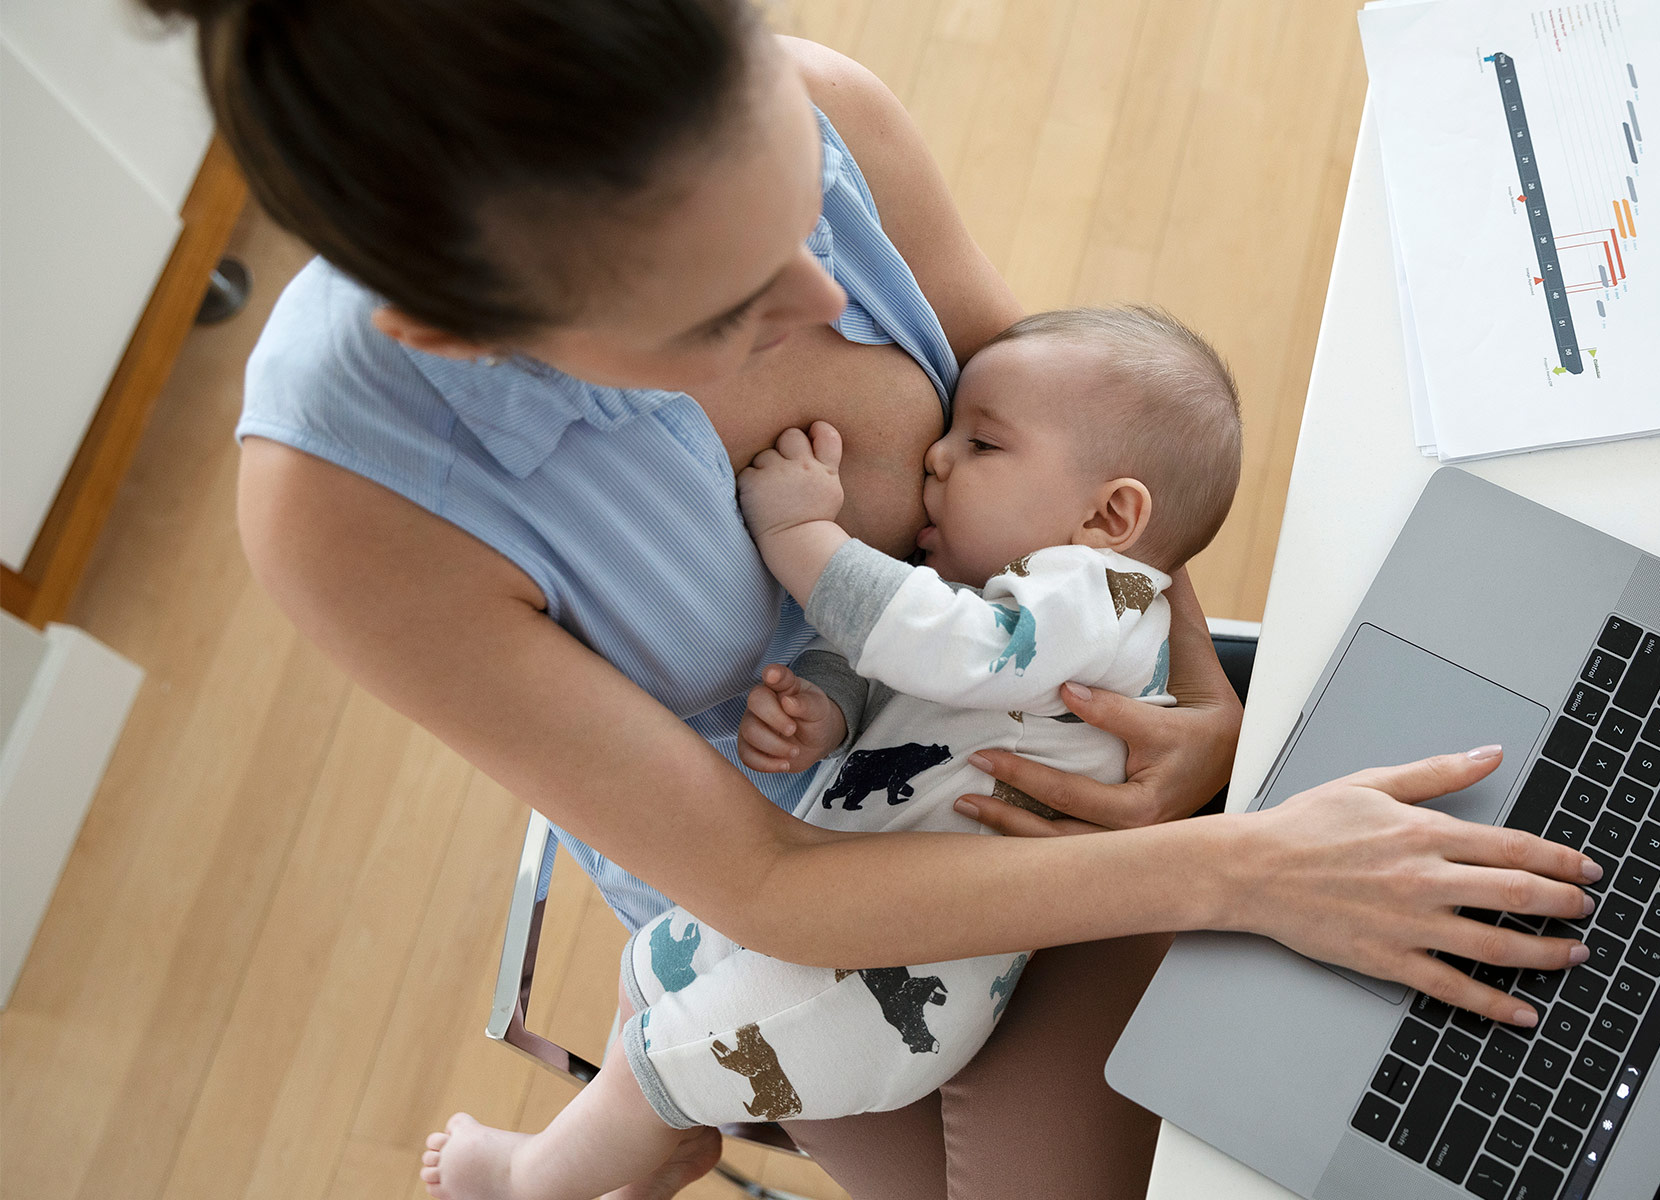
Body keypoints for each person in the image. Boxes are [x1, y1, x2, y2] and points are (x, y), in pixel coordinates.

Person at [150, 1, 1603, 1196]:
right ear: (466, 335)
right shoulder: (347, 508)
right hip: (807, 909)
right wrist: (1248, 870)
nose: (823, 294)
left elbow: (1088, 454)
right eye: (719, 315)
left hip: (1061, 770)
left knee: (1412, 1092)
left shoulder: (819, 104)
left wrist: (1203, 717)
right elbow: (765, 885)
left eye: (800, 200)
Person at [421, 303, 1245, 1198]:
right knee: (651, 976)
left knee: (655, 1064)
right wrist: (830, 708)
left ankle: (535, 1179)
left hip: (893, 979)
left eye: (983, 445)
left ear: (1110, 514)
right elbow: (916, 680)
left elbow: (950, 647)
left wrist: (802, 535)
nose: (938, 454)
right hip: (858, 899)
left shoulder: (1099, 599)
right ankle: (662, 1147)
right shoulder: (1019, 595)